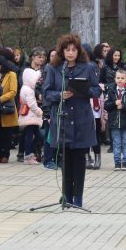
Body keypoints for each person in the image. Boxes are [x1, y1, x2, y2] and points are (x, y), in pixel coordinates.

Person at [43, 33, 100, 208]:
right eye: (67, 50)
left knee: (79, 160)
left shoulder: (88, 67)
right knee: (65, 160)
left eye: (73, 50)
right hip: (63, 118)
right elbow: (46, 93)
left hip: (82, 119)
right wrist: (59, 95)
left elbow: (97, 90)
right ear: (61, 51)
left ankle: (78, 198)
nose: (70, 53)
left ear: (78, 51)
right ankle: (66, 196)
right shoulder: (53, 68)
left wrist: (83, 90)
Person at [104, 68, 126, 171]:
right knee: (116, 142)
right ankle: (117, 162)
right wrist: (114, 103)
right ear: (115, 79)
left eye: (122, 78)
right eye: (118, 78)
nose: (120, 80)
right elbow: (106, 105)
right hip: (114, 122)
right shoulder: (110, 91)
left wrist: (123, 106)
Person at [0, 49, 18, 163]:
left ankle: (5, 154)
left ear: (1, 64)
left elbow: (13, 91)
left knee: (7, 133)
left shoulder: (11, 74)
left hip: (7, 107)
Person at [18, 68, 43, 165]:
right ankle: (28, 155)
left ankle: (30, 154)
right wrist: (39, 112)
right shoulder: (29, 90)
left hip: (29, 116)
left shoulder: (25, 88)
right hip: (31, 116)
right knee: (32, 136)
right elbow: (32, 104)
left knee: (35, 136)